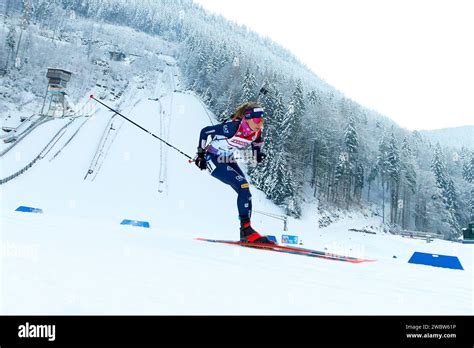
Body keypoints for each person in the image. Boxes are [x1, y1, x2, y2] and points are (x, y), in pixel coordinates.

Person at [195, 102, 276, 244]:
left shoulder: (257, 131)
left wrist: (257, 154)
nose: (260, 124)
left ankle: (246, 231)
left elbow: (256, 143)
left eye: (262, 120)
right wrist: (200, 154)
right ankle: (246, 230)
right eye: (257, 120)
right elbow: (205, 131)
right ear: (248, 118)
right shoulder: (232, 128)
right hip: (213, 158)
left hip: (227, 158)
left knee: (246, 191)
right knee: (243, 185)